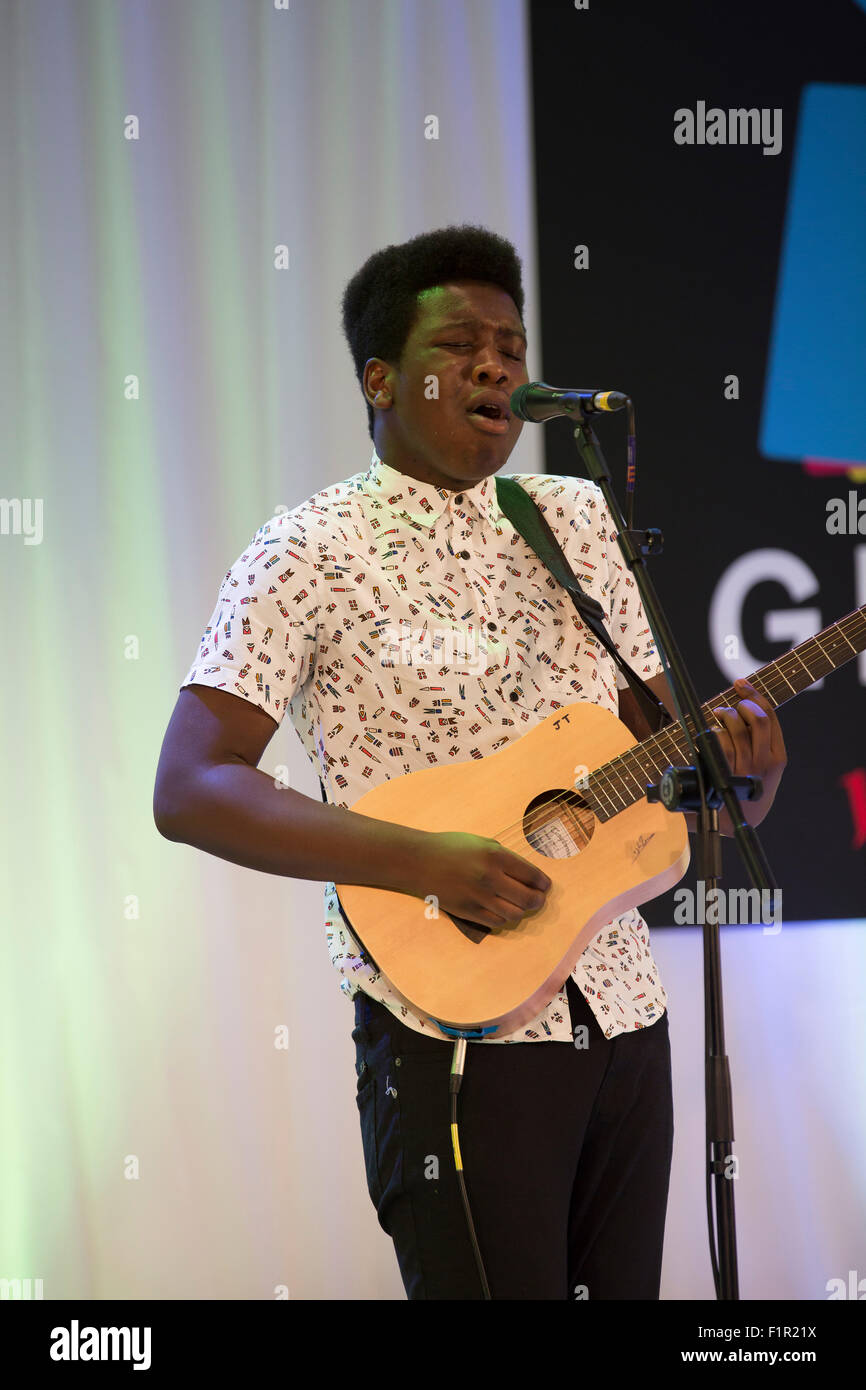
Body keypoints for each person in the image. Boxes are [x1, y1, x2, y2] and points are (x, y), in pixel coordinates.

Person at [153, 224, 787, 1299]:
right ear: (382, 378)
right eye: (462, 343)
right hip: (448, 1021)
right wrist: (424, 861)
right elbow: (192, 785)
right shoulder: (306, 549)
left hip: (624, 1012)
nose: (496, 362)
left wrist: (741, 773)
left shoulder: (575, 520)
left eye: (510, 341)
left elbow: (655, 756)